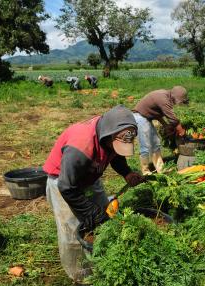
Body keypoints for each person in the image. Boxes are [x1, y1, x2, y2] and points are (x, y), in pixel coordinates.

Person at [43, 105, 145, 282]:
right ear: (107, 136)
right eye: (114, 145)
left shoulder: (110, 133)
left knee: (105, 215)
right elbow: (67, 186)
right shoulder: (80, 148)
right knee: (74, 230)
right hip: (64, 183)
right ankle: (80, 275)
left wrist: (126, 173)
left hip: (89, 175)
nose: (115, 149)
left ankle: (104, 258)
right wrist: (89, 213)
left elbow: (116, 154)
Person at [132, 86, 189, 175]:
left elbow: (158, 114)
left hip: (145, 117)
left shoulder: (166, 96)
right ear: (175, 97)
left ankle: (161, 169)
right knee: (145, 144)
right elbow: (173, 119)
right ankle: (145, 171)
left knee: (155, 142)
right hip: (140, 117)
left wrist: (165, 125)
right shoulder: (164, 99)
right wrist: (181, 131)